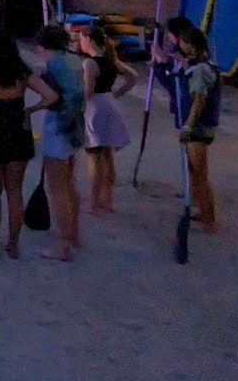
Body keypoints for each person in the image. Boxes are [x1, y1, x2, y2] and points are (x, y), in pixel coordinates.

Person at [0, 31, 58, 260]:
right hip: (18, 134)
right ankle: (13, 245)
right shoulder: (22, 73)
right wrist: (30, 110)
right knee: (15, 192)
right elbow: (51, 96)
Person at [153, 21, 222, 234]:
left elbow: (199, 99)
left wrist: (188, 126)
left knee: (200, 174)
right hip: (197, 126)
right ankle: (203, 211)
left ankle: (209, 219)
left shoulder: (202, 70)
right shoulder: (197, 65)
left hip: (199, 128)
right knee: (194, 172)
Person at [36, 25, 85, 262]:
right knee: (68, 184)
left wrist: (64, 119)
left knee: (57, 189)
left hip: (61, 124)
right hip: (75, 125)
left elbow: (72, 95)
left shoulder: (55, 62)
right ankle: (72, 235)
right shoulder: (74, 59)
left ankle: (63, 244)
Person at [80, 24, 139, 214]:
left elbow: (88, 91)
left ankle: (93, 201)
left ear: (88, 39)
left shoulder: (89, 63)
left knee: (94, 155)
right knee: (108, 154)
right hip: (110, 103)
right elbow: (133, 76)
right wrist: (117, 93)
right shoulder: (110, 59)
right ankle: (107, 200)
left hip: (95, 107)